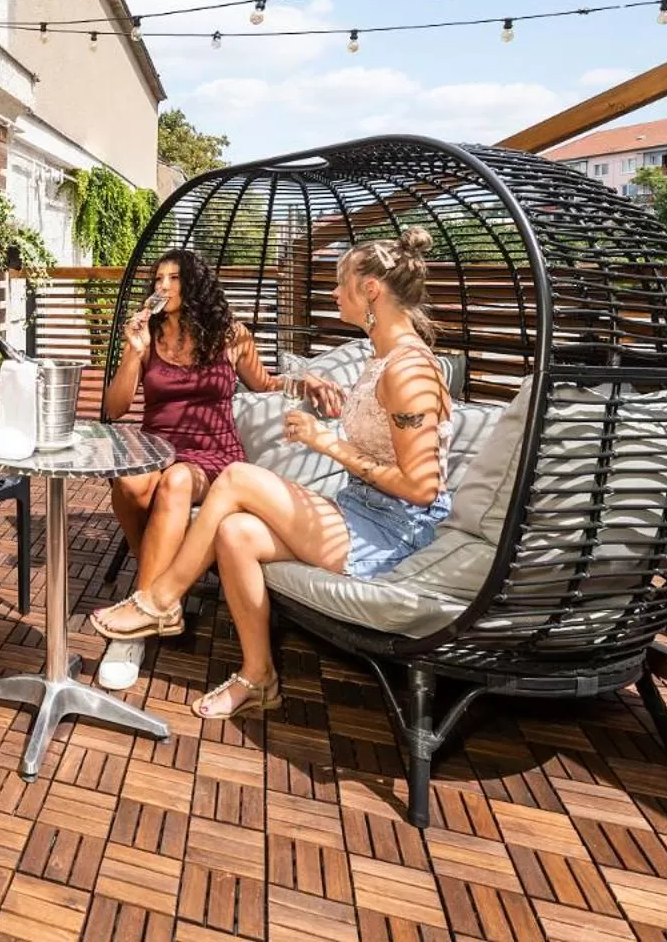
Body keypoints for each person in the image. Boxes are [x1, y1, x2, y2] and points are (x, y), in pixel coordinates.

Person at [92, 227, 452, 720]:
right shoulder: (382, 360)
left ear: (370, 291)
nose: (332, 293)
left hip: (391, 532)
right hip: (360, 510)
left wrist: (328, 443)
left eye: (339, 282)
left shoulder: (408, 370)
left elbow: (423, 487)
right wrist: (317, 395)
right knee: (236, 532)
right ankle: (259, 676)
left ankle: (159, 600)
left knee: (236, 477)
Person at [94, 249, 340, 689]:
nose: (163, 286)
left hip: (213, 454)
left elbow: (266, 383)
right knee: (129, 485)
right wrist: (133, 354)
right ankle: (161, 588)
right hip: (158, 447)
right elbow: (113, 410)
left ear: (194, 285)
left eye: (174, 278)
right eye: (158, 279)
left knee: (176, 482)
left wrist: (308, 381)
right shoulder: (147, 336)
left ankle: (140, 622)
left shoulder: (230, 335)